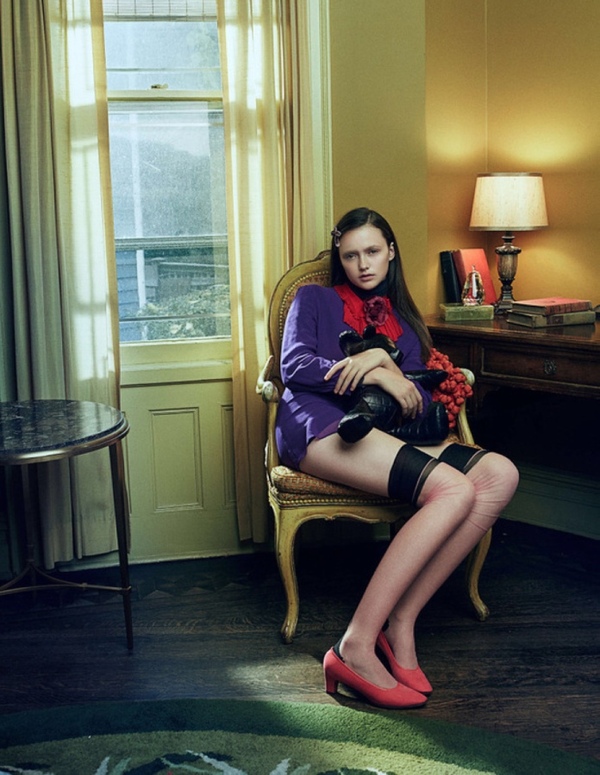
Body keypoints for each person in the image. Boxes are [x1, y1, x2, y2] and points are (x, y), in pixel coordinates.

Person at [275, 207, 519, 709]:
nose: (362, 264)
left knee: (499, 474)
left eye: (372, 251)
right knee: (452, 490)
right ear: (340, 258)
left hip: (386, 428)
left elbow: (418, 398)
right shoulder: (312, 298)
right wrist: (374, 370)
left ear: (391, 251)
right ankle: (355, 645)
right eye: (350, 256)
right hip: (318, 423)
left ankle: (401, 623)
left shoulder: (402, 320)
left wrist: (386, 364)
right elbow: (295, 366)